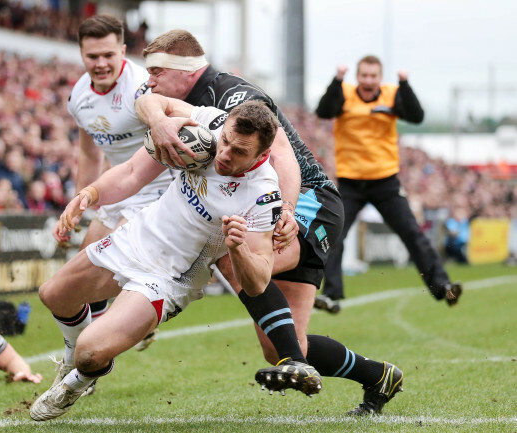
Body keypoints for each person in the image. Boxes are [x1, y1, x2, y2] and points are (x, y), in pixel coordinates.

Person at [141, 30, 403, 415]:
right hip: (270, 209)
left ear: (186, 70)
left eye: (157, 71)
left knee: (233, 253)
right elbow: (146, 101)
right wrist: (156, 120)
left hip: (307, 204)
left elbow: (283, 159)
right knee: (279, 344)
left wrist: (287, 209)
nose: (150, 80)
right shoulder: (185, 104)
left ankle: (293, 362)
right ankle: (379, 376)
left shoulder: (234, 97)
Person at [30, 96, 303, 421]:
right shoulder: (210, 125)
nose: (225, 154)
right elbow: (133, 165)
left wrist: (239, 247)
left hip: (168, 279)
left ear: (262, 154)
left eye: (239, 152)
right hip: (135, 239)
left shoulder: (263, 195)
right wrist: (88, 194)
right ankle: (71, 358)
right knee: (53, 295)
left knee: (91, 355)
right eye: (227, 141)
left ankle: (76, 382)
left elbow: (258, 283)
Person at [61, 14, 174, 362]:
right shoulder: (78, 96)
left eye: (108, 55)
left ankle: (101, 348)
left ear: (123, 50)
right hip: (116, 189)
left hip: (158, 191)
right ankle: (84, 356)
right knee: (80, 277)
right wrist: (81, 203)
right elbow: (88, 150)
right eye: (92, 56)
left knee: (109, 269)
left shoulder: (143, 87)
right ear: (81, 54)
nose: (101, 63)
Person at [315, 55, 463, 313]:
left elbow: (416, 116)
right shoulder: (344, 94)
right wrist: (336, 80)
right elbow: (323, 111)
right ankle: (331, 295)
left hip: (385, 181)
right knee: (335, 235)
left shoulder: (392, 94)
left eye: (373, 76)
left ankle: (443, 287)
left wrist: (405, 84)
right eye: (364, 75)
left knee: (412, 234)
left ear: (380, 78)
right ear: (357, 77)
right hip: (350, 182)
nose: (368, 81)